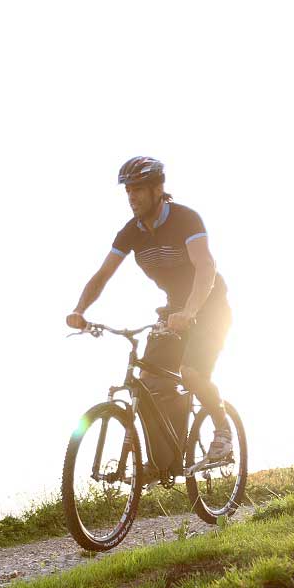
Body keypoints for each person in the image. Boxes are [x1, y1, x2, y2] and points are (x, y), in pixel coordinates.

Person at [66, 156, 234, 472]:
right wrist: (79, 309)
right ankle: (163, 460)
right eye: (128, 191)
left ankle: (223, 432)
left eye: (139, 189)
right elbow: (102, 275)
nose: (132, 197)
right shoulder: (131, 232)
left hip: (210, 306)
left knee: (191, 372)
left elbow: (205, 267)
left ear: (159, 189)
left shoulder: (186, 220)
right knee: (150, 381)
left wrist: (190, 310)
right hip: (174, 310)